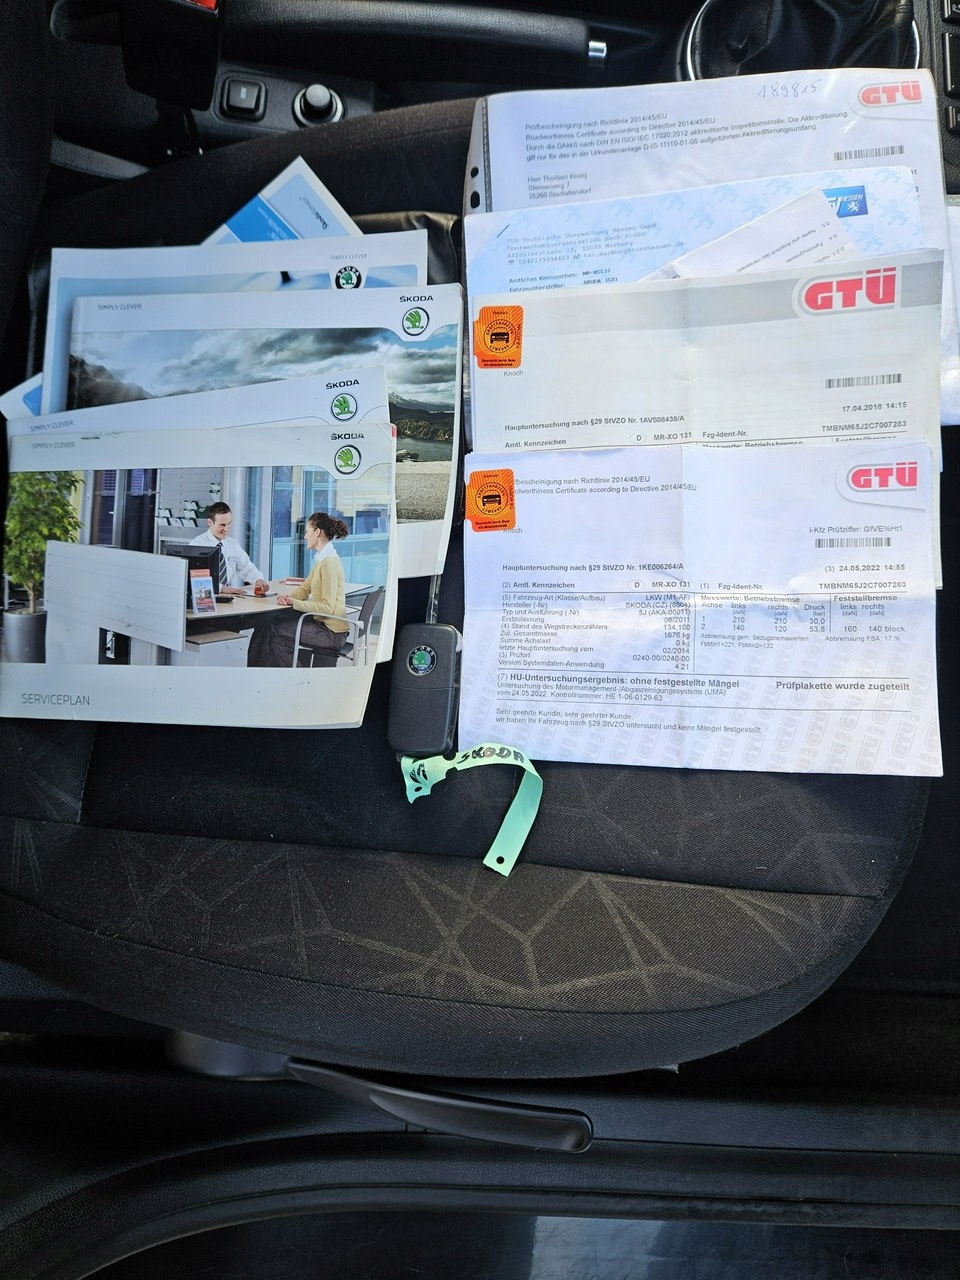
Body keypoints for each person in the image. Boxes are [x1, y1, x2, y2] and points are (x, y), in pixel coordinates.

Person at [248, 513, 351, 668]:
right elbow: (305, 588)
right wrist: (287, 597)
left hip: (332, 634)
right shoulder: (322, 559)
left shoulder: (329, 563)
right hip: (323, 626)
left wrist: (293, 603)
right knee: (274, 632)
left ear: (317, 532)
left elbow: (327, 607)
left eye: (307, 532)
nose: (304, 536)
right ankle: (268, 674)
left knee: (273, 629)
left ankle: (286, 676)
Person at [190, 502, 268, 596]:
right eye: (222, 525)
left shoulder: (232, 544)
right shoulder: (197, 545)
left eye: (229, 524)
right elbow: (195, 578)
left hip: (227, 597)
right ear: (210, 522)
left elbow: (246, 567)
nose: (226, 529)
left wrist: (258, 580)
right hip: (204, 597)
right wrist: (222, 588)